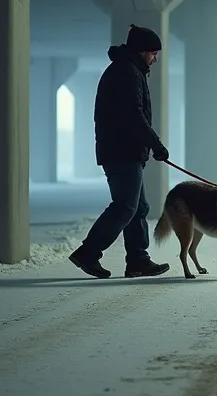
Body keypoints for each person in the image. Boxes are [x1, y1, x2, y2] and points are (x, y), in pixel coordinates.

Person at [69, 24, 172, 279]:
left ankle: (138, 260)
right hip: (121, 151)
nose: (155, 58)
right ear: (141, 51)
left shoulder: (130, 70)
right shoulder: (126, 73)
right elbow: (133, 115)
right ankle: (88, 252)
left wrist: (149, 145)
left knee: (138, 207)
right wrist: (156, 144)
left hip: (125, 150)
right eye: (153, 53)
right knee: (125, 206)